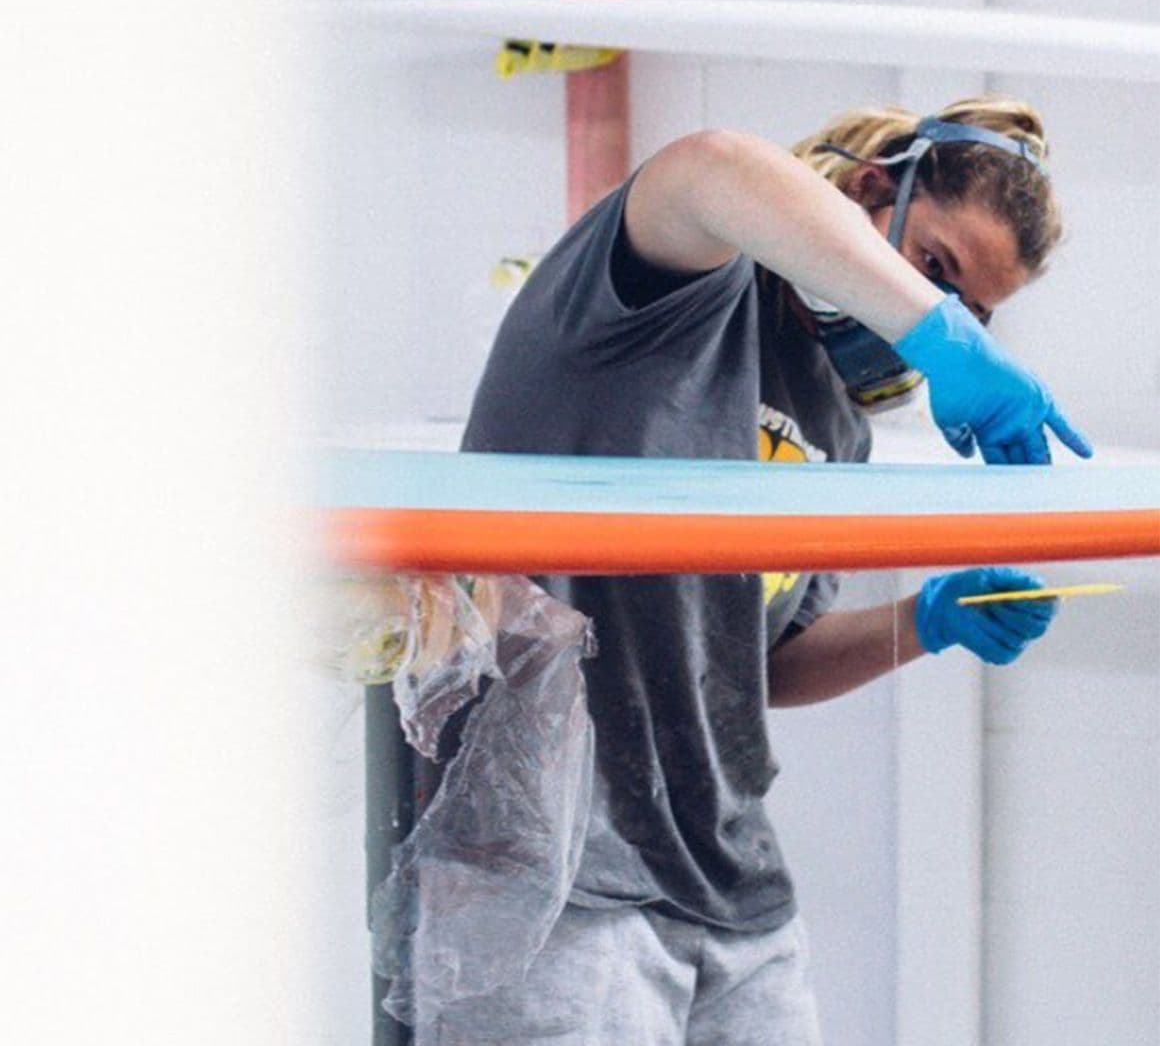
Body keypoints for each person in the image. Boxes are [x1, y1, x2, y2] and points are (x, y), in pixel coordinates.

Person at [446, 98, 1083, 1044]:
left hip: (731, 885)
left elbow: (767, 663)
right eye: (937, 271)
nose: (947, 316)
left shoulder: (834, 418)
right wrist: (936, 335)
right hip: (554, 870)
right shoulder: (668, 290)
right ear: (872, 191)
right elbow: (713, 164)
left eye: (975, 315)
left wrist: (930, 620)